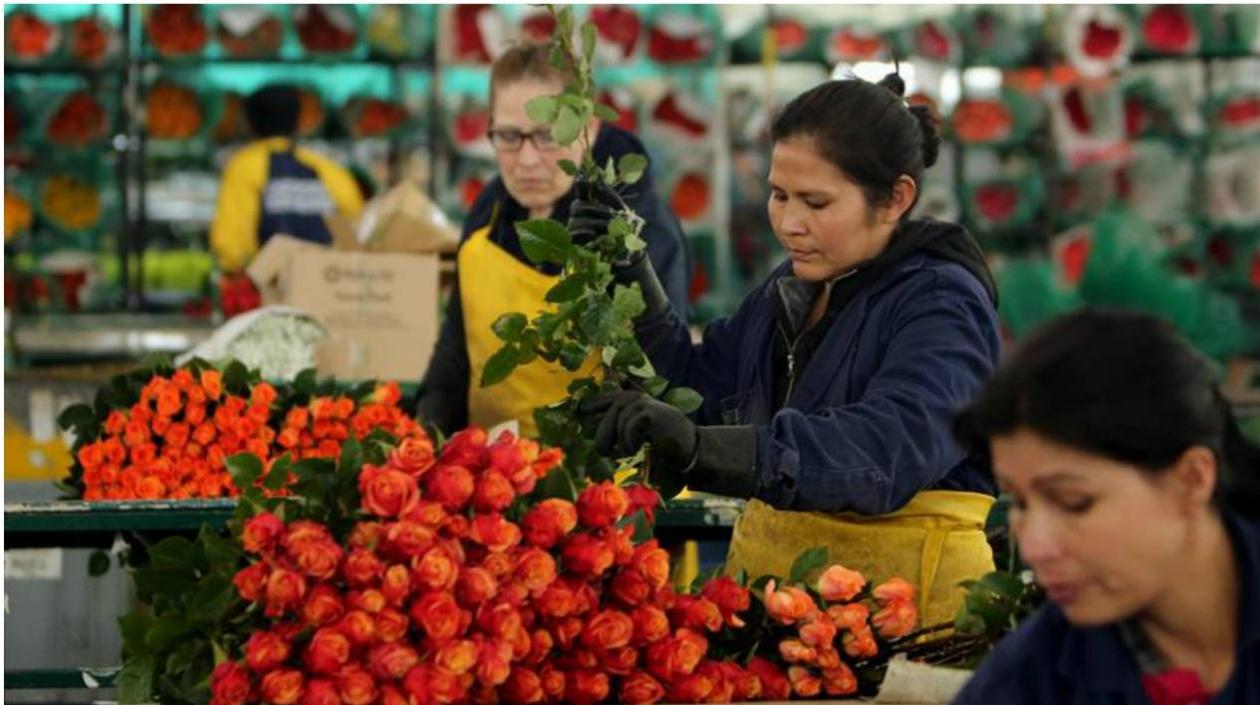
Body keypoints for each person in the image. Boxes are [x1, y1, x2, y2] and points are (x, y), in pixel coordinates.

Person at [581, 72, 1001, 627]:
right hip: (780, 611)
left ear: (896, 198)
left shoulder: (941, 303)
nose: (790, 224)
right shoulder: (792, 287)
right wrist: (632, 277)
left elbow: (887, 449)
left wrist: (707, 450)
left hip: (907, 622)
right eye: (779, 195)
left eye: (816, 202)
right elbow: (696, 392)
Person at [951, 308, 1260, 705]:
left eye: (1074, 503)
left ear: (1191, 480)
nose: (1036, 548)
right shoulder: (1030, 679)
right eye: (1021, 503)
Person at [415, 42, 690, 438]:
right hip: (490, 467)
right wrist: (429, 428)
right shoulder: (488, 209)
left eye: (547, 136)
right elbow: (457, 346)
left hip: (596, 471)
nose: (527, 160)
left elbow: (659, 381)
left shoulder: (638, 231)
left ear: (589, 129)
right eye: (509, 136)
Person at [210, 85, 365, 273]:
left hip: (268, 282)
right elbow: (357, 226)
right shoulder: (327, 168)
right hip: (327, 279)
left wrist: (236, 270)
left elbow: (231, 243)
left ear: (249, 123)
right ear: (298, 121)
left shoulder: (244, 165)